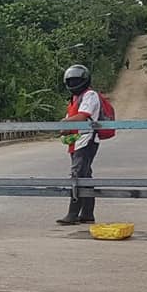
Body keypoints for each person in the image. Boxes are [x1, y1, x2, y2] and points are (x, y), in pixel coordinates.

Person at [57, 65, 101, 225]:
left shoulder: (90, 95)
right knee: (85, 176)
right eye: (71, 81)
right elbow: (73, 119)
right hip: (76, 141)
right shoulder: (75, 99)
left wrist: (63, 122)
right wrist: (65, 129)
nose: (73, 83)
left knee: (77, 176)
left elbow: (82, 116)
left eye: (76, 80)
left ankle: (73, 214)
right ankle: (87, 214)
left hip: (86, 140)